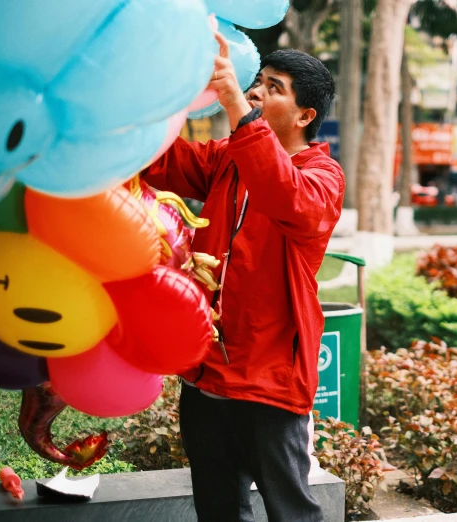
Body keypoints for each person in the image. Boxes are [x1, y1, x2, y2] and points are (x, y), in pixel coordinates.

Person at [142, 32, 342, 522]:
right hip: (207, 371)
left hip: (269, 378)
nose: (255, 92)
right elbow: (161, 161)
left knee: (289, 511)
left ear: (304, 117)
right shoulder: (226, 158)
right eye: (256, 83)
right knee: (217, 510)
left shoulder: (323, 177)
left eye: (273, 88)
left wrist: (235, 105)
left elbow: (284, 194)